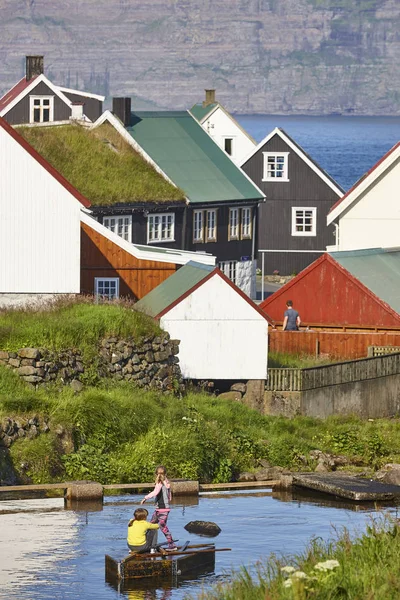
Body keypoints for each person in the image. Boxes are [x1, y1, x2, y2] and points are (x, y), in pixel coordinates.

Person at [140, 465, 177, 551]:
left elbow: (155, 492)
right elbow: (169, 495)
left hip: (162, 509)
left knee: (162, 527)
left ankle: (172, 545)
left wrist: (145, 498)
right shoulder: (167, 482)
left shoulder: (160, 483)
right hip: (159, 509)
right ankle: (147, 545)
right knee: (151, 525)